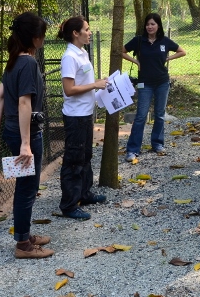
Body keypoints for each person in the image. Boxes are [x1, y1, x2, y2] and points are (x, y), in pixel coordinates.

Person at [0, 12, 53, 259]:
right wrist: (26, 144)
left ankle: (24, 234)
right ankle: (23, 245)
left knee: (26, 185)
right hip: (25, 133)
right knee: (27, 188)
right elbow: (25, 102)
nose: (43, 39)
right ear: (36, 38)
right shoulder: (27, 63)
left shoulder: (14, 61)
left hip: (12, 130)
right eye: (43, 35)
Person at [57, 16, 108, 221]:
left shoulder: (82, 53)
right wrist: (95, 85)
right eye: (86, 29)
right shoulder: (69, 57)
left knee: (85, 157)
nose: (89, 32)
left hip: (86, 114)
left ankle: (84, 194)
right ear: (75, 33)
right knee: (73, 161)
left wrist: (98, 85)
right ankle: (69, 205)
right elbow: (69, 89)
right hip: (75, 117)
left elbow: (84, 82)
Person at [122, 13, 186, 162]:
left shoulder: (164, 41)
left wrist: (168, 58)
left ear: (158, 26)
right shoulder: (139, 40)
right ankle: (132, 149)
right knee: (141, 116)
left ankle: (157, 144)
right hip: (145, 83)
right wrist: (136, 62)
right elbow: (121, 51)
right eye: (148, 24)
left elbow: (182, 51)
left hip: (162, 82)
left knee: (159, 114)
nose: (150, 27)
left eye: (153, 24)